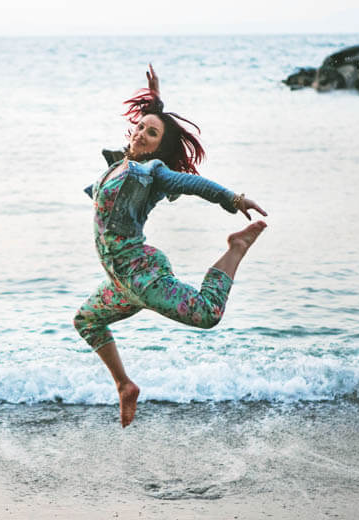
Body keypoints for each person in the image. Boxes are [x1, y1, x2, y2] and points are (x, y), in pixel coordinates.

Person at [74, 65, 268, 428]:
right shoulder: (121, 162)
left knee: (209, 313)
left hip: (142, 278)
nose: (142, 135)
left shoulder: (150, 173)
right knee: (86, 322)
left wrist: (234, 199)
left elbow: (193, 184)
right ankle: (125, 386)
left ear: (159, 146)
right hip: (121, 283)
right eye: (141, 128)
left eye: (152, 133)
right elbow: (150, 121)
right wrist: (156, 100)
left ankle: (236, 248)